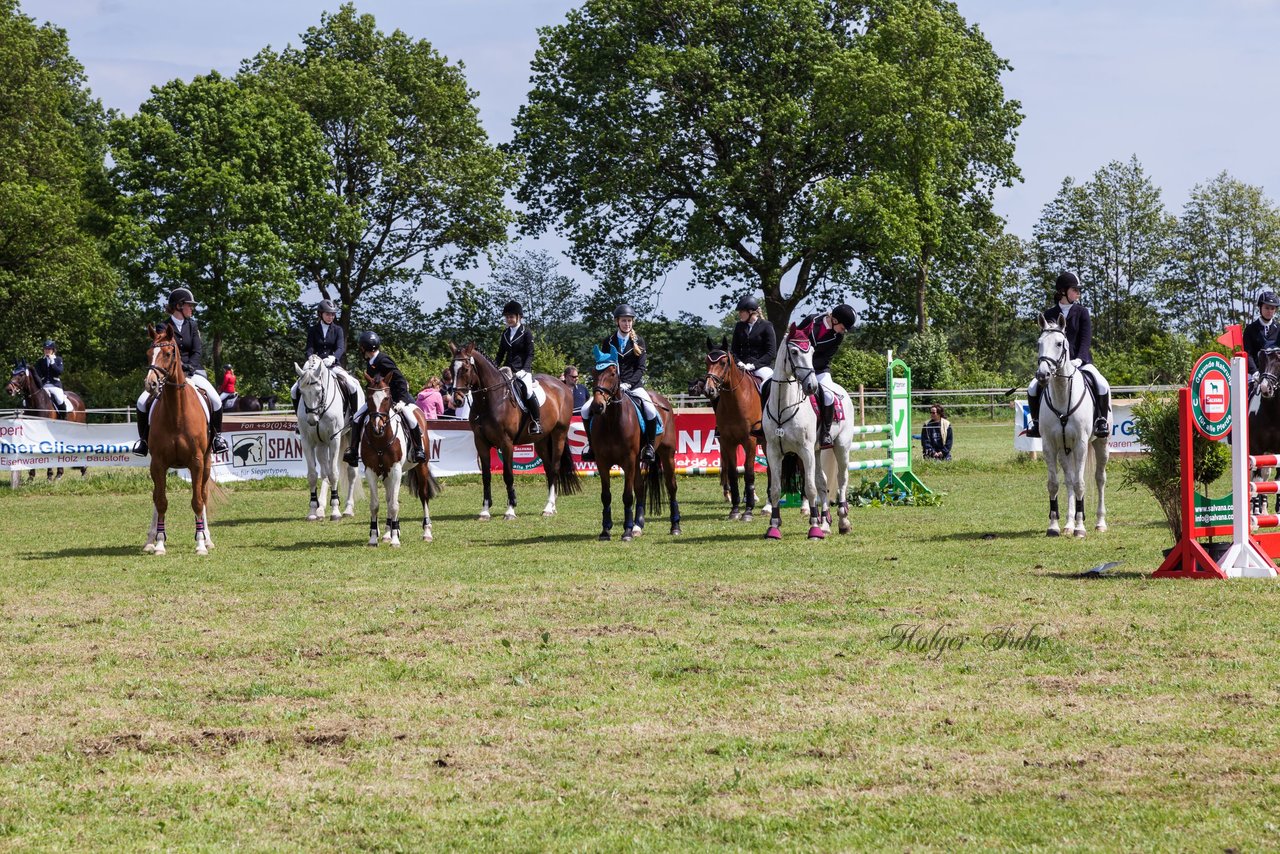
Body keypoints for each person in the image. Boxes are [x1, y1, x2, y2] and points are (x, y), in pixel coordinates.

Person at [134, 287, 228, 456]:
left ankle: (217, 437)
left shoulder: (192, 325)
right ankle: (143, 441)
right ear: (179, 306)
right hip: (168, 374)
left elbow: (197, 350)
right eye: (189, 306)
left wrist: (190, 366)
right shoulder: (162, 326)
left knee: (216, 400)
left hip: (193, 372)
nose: (192, 309)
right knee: (142, 402)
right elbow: (162, 351)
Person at [1025, 272, 1110, 439]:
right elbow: (1046, 342)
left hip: (1080, 362)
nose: (1078, 293)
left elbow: (1086, 338)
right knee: (1032, 387)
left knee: (1102, 384)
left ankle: (1100, 420)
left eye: (1078, 290)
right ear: (1063, 291)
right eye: (1075, 289)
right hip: (1055, 365)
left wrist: (1080, 358)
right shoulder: (1049, 314)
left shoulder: (1082, 312)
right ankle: (1036, 422)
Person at [580, 304, 659, 463]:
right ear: (617, 322)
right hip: (610, 388)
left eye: (629, 321)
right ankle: (591, 445)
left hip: (634, 386)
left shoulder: (639, 341)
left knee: (650, 410)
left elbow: (641, 368)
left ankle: (649, 446)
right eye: (624, 321)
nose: (627, 324)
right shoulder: (608, 341)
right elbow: (602, 365)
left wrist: (628, 383)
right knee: (584, 410)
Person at [342, 331, 427, 465]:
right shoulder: (371, 362)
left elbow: (401, 380)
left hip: (397, 398)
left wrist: (402, 401)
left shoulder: (382, 359)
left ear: (363, 348)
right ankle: (353, 451)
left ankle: (418, 449)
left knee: (411, 418)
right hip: (378, 402)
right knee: (357, 417)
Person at [793, 303, 857, 448]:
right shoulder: (811, 319)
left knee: (828, 395)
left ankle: (826, 433)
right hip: (797, 367)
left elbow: (825, 358)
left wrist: (810, 369)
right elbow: (795, 338)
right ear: (834, 320)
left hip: (819, 369)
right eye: (843, 327)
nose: (843, 331)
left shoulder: (837, 337)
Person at [292, 299, 361, 417]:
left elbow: (340, 348)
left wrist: (333, 358)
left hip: (332, 365)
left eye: (333, 314)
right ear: (321, 314)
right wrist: (311, 359)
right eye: (328, 314)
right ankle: (300, 419)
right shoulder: (313, 330)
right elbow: (309, 348)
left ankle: (354, 416)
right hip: (316, 367)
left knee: (352, 385)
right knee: (294, 390)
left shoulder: (338, 330)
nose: (331, 317)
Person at [729, 295, 777, 436]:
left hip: (761, 366)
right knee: (723, 384)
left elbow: (771, 352)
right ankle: (721, 424)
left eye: (741, 311)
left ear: (751, 312)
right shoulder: (739, 327)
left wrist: (754, 365)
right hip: (741, 366)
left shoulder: (766, 326)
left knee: (770, 385)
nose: (739, 314)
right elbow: (734, 350)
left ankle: (766, 420)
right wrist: (739, 362)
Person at [494, 300, 541, 434]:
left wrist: (525, 370)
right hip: (507, 369)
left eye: (511, 317)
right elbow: (500, 354)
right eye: (507, 317)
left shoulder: (526, 332)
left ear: (518, 317)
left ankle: (536, 421)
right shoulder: (505, 334)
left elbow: (530, 353)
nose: (509, 319)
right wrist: (494, 367)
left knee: (527, 391)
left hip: (522, 369)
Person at [1244, 289, 1280, 382]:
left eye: (1272, 308)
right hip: (1256, 374)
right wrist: (1254, 372)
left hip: (1275, 374)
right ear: (1260, 307)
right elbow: (1248, 354)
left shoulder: (1279, 329)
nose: (1270, 311)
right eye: (1267, 308)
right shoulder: (1250, 329)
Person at [33, 339, 68, 414]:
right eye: (45, 349)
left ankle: (63, 416)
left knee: (60, 399)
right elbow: (37, 373)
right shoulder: (40, 361)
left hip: (55, 385)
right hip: (44, 386)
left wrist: (52, 362)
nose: (47, 351)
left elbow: (59, 372)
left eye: (49, 349)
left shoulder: (58, 359)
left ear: (53, 350)